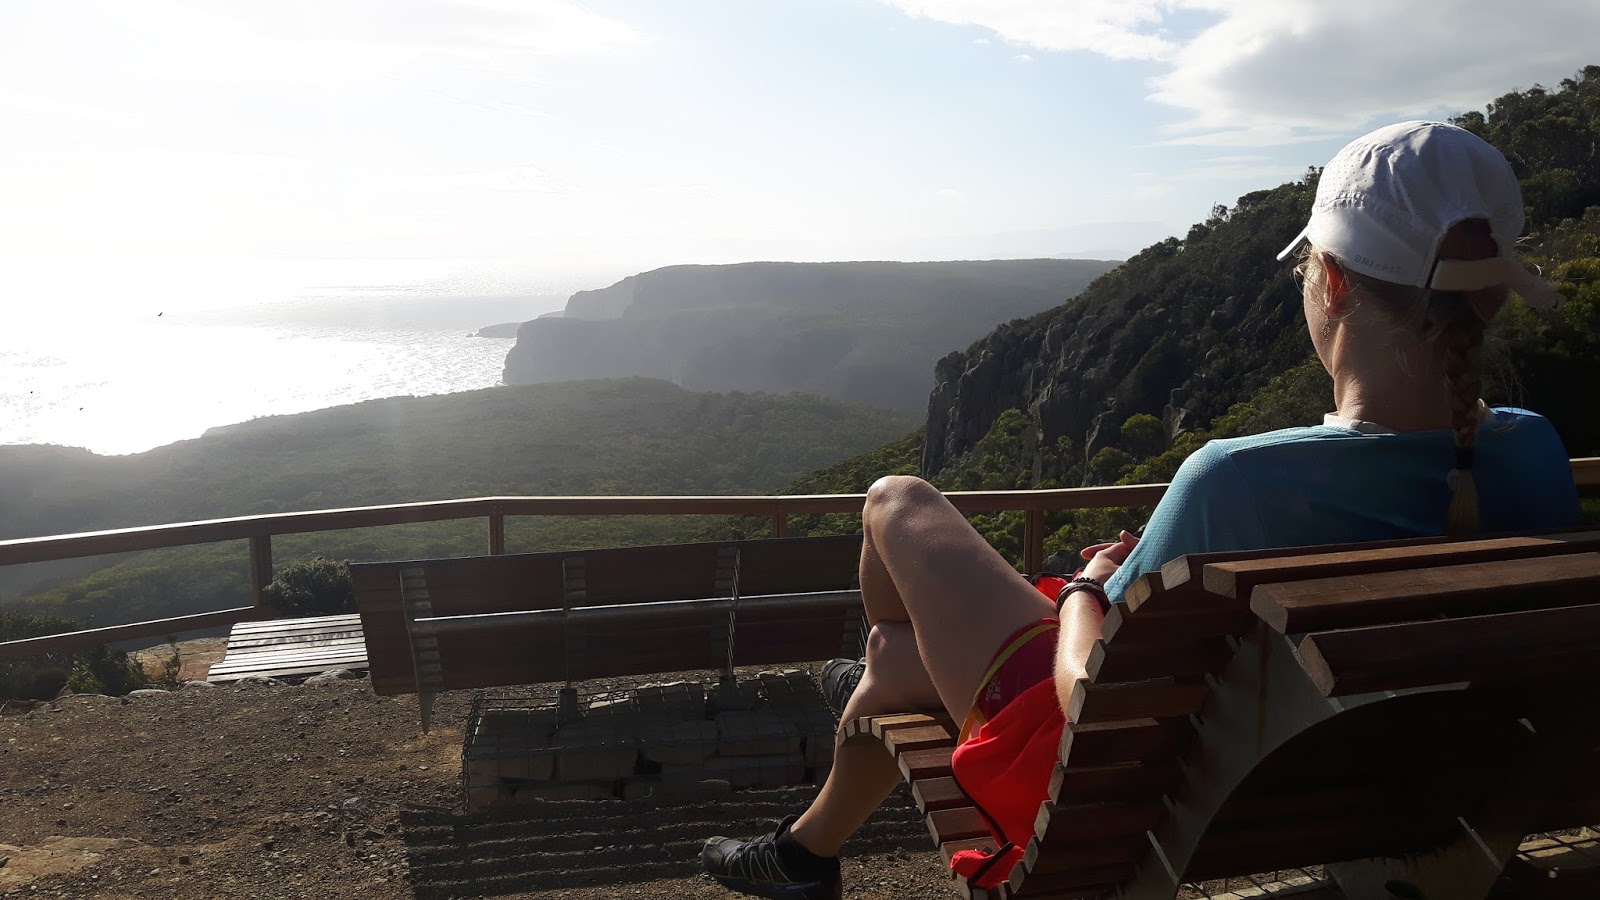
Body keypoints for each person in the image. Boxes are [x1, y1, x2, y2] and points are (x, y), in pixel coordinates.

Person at [699, 121, 1582, 900]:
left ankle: (876, 690)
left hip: (1106, 790)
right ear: (1493, 294)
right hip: (1401, 791)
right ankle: (819, 822)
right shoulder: (1535, 452)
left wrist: (1089, 585)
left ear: (1336, 285)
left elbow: (1089, 695)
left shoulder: (1237, 481)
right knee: (895, 658)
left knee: (895, 501)